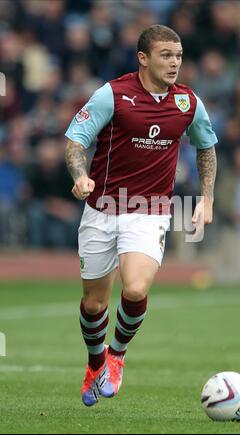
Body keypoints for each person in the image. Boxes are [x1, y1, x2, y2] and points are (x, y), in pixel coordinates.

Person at [65, 24, 217, 407]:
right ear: (143, 58)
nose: (174, 63)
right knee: (94, 304)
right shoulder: (112, 95)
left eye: (179, 56)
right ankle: (94, 362)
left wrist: (207, 198)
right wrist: (80, 175)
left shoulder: (188, 103)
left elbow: (207, 148)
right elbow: (75, 140)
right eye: (166, 55)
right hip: (101, 210)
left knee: (134, 289)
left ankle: (116, 355)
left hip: (148, 212)